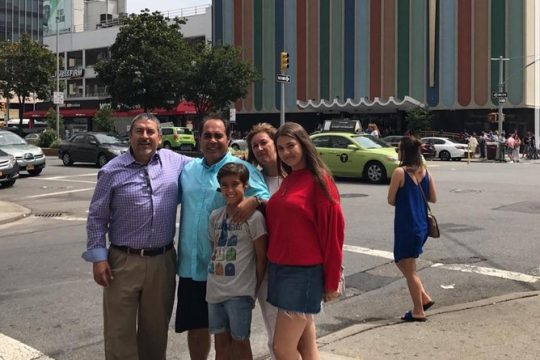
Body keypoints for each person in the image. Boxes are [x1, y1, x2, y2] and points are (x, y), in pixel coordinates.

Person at [83, 113, 192, 360]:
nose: (145, 137)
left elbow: (210, 166)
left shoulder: (174, 162)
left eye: (150, 132)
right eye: (139, 131)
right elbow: (97, 217)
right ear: (130, 136)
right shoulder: (111, 171)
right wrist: (99, 258)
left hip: (162, 261)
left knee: (155, 332)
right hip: (122, 262)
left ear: (160, 137)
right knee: (119, 332)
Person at [175, 114, 269, 360]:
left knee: (230, 338)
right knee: (197, 329)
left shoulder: (242, 171)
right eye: (208, 135)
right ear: (199, 139)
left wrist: (255, 200)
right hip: (191, 268)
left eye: (219, 135)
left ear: (228, 138)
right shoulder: (188, 170)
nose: (213, 140)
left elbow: (270, 200)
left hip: (229, 274)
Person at [266, 122, 345, 359]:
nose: (286, 153)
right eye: (280, 148)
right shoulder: (289, 179)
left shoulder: (319, 180)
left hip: (302, 274)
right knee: (305, 346)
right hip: (281, 269)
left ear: (304, 144)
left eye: (291, 146)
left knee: (282, 348)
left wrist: (331, 280)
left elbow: (333, 233)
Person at [207, 162, 268, 360]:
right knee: (221, 344)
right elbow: (214, 248)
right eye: (224, 185)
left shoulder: (255, 218)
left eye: (235, 184)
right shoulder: (215, 216)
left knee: (241, 342)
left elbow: (261, 259)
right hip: (215, 291)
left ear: (245, 185)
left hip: (240, 293)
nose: (230, 190)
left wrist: (254, 289)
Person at [387, 136, 437, 322]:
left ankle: (418, 310)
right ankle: (423, 297)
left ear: (404, 152)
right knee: (403, 263)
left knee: (409, 270)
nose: (397, 152)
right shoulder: (426, 172)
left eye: (399, 149)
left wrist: (405, 197)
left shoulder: (400, 172)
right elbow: (433, 198)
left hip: (407, 225)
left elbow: (391, 199)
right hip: (421, 225)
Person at [245, 123, 282, 359]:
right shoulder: (251, 179)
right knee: (275, 331)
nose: (259, 148)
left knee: (301, 328)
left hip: (296, 265)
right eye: (255, 145)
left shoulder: (297, 176)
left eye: (264, 142)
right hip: (266, 265)